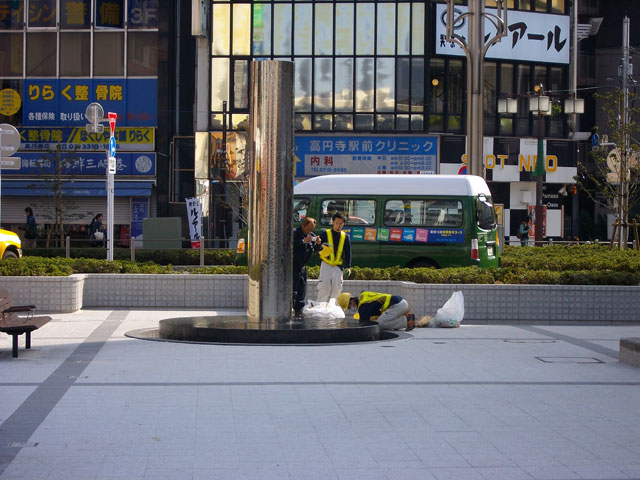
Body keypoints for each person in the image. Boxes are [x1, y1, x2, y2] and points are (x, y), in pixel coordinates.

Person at [316, 212, 351, 303]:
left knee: (337, 288)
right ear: (333, 222)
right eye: (336, 223)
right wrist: (320, 247)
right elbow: (316, 248)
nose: (338, 225)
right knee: (324, 287)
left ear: (343, 224)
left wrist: (348, 266)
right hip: (326, 264)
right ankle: (320, 306)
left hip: (338, 266)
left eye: (341, 223)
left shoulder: (345, 237)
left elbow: (348, 252)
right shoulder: (325, 234)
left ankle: (334, 308)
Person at [337, 291, 415, 331]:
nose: (351, 308)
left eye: (349, 306)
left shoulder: (363, 306)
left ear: (352, 301)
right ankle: (407, 319)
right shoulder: (364, 297)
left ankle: (407, 320)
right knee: (380, 321)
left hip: (397, 306)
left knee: (378, 325)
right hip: (400, 304)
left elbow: (364, 324)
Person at [292, 217, 318, 316]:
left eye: (312, 229)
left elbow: (316, 249)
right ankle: (291, 308)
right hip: (294, 265)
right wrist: (303, 241)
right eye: (308, 229)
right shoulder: (295, 233)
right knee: (293, 290)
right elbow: (291, 244)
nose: (310, 231)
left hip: (303, 266)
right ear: (303, 225)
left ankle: (299, 310)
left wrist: (318, 243)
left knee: (302, 290)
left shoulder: (311, 235)